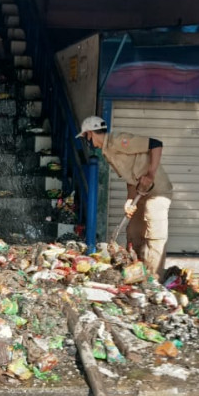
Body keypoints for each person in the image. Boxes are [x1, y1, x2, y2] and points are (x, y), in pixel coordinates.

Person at [78, 115, 173, 279]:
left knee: (154, 232)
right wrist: (129, 200)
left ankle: (154, 277)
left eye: (86, 136)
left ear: (90, 133)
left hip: (157, 189)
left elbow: (156, 145)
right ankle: (136, 273)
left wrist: (150, 173)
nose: (86, 140)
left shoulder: (119, 141)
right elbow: (130, 178)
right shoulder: (107, 153)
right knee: (133, 230)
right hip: (140, 191)